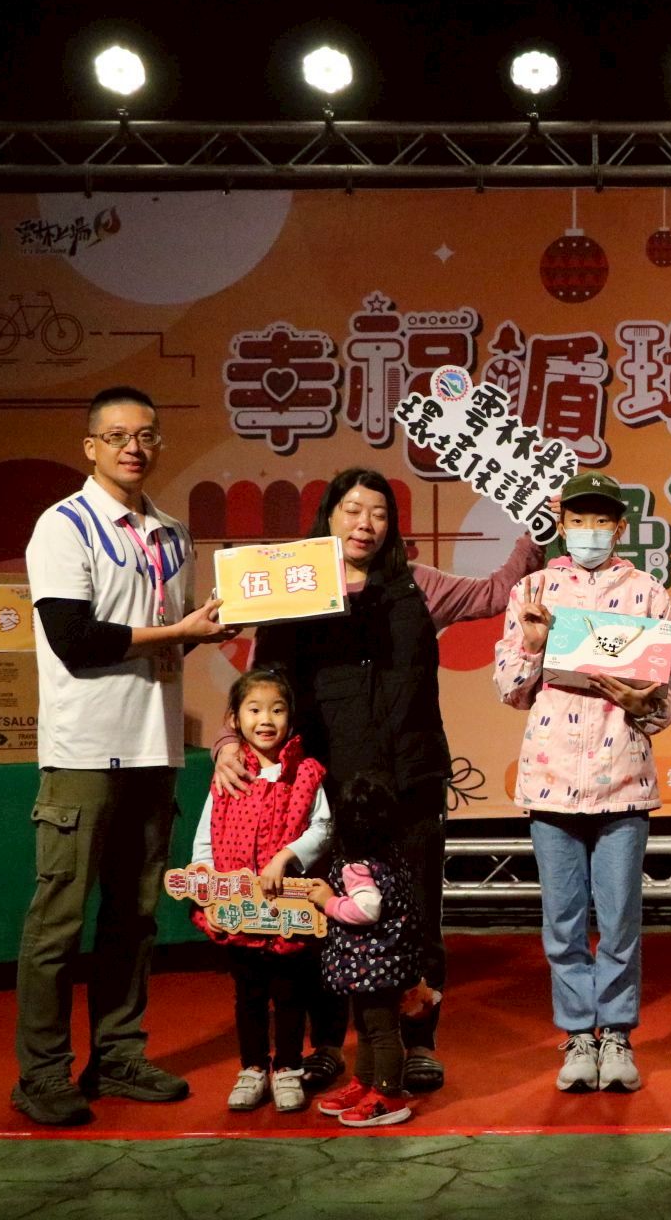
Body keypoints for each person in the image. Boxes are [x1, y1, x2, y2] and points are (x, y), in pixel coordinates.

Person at [212, 469, 546, 1097]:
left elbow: (497, 592)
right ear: (328, 517)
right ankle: (326, 1046)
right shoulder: (290, 588)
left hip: (411, 777)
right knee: (321, 912)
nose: (364, 524)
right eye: (352, 509)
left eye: (379, 513)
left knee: (414, 910)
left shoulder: (419, 585)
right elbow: (261, 684)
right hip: (323, 785)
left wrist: (537, 530)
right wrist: (230, 741)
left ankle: (418, 1043)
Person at [13, 385, 233, 1127]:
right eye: (116, 436)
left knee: (135, 917)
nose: (133, 448)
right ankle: (42, 1073)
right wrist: (178, 634)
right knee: (59, 921)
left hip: (154, 747)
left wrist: (205, 630)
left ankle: (117, 1054)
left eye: (145, 435)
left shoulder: (172, 534)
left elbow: (166, 637)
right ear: (91, 447)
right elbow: (75, 642)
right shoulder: (63, 526)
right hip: (84, 749)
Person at [492, 472, 671, 1094]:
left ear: (619, 527)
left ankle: (616, 1034)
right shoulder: (533, 588)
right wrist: (534, 646)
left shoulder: (648, 593)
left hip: (623, 777)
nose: (589, 531)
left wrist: (643, 700)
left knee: (620, 919)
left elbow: (666, 702)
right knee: (563, 921)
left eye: (601, 520)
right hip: (551, 780)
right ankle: (577, 1035)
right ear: (562, 522)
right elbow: (510, 691)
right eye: (578, 519)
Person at [188, 668, 334, 1114]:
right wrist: (209, 889)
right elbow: (205, 841)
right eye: (254, 710)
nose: (266, 720)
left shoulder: (306, 773)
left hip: (287, 911)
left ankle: (287, 1068)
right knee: (248, 994)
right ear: (235, 719)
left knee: (290, 993)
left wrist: (285, 857)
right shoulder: (228, 776)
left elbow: (323, 828)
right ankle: (252, 1068)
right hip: (240, 913)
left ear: (291, 717)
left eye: (277, 709)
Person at [305, 772, 423, 1127]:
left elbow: (366, 909)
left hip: (373, 965)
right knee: (369, 1026)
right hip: (386, 962)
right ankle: (366, 1083)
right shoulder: (392, 857)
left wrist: (329, 902)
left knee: (381, 1031)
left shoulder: (357, 866)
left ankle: (388, 1093)